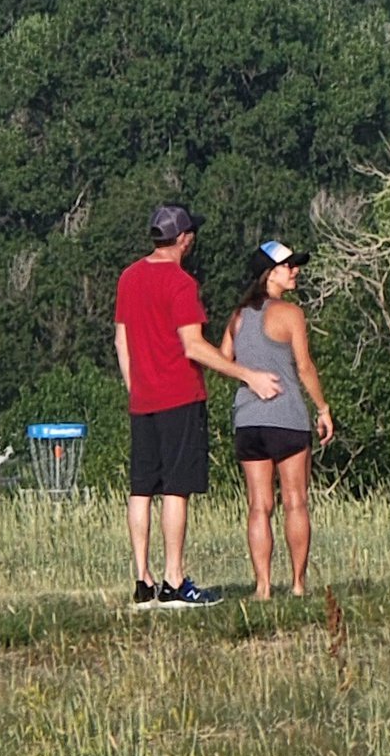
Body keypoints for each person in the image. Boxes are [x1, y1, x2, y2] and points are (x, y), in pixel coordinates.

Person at [114, 205, 283, 609]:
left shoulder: (129, 277)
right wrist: (247, 375)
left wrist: (135, 387)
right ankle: (173, 580)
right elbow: (192, 346)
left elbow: (121, 340)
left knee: (141, 489)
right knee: (176, 487)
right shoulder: (180, 283)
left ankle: (142, 581)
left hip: (143, 400)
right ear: (184, 238)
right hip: (179, 396)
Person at [227, 238, 334, 599]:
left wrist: (248, 377)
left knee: (259, 505)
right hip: (287, 417)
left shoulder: (238, 317)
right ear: (269, 274)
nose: (295, 271)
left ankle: (262, 586)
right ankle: (299, 585)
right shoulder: (291, 315)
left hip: (249, 420)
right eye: (289, 266)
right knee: (295, 501)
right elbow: (304, 368)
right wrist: (323, 408)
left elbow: (225, 359)